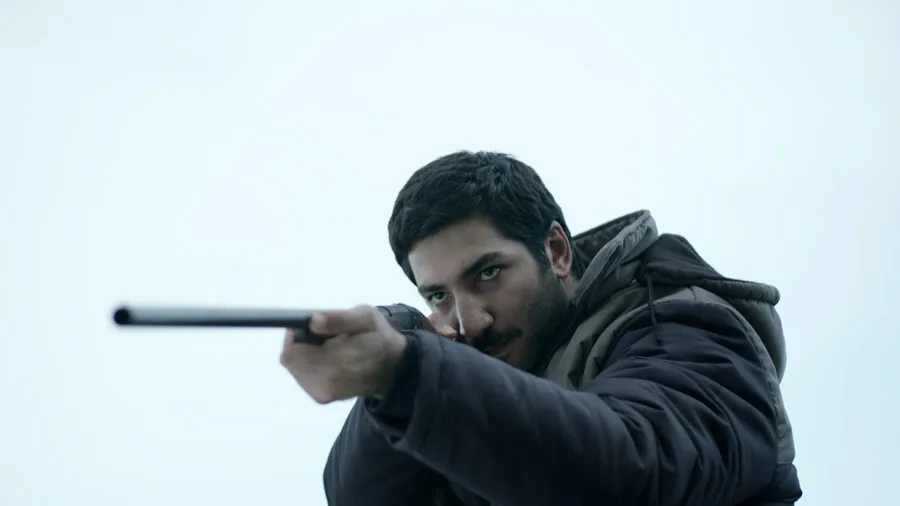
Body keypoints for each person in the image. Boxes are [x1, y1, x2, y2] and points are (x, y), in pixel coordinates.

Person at [280, 151, 803, 505]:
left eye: (488, 274)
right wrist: (391, 382)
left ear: (555, 251)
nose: (470, 321)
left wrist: (409, 374)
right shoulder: (470, 389)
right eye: (439, 296)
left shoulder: (689, 325)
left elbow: (634, 471)